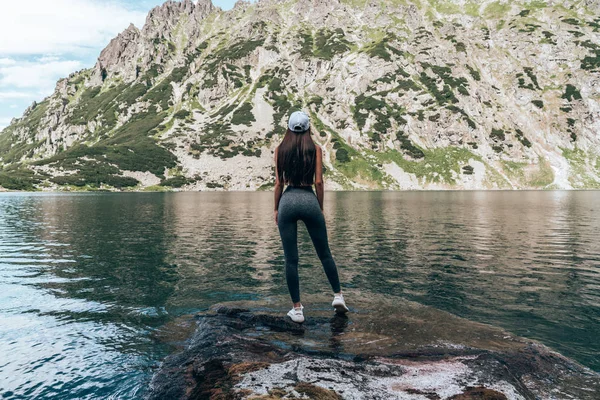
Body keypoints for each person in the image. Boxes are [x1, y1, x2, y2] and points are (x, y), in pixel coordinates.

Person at [273, 110, 349, 323]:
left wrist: (276, 209)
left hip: (287, 201)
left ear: (288, 127)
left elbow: (279, 184)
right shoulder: (315, 149)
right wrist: (320, 208)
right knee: (324, 253)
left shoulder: (280, 150)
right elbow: (319, 182)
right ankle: (338, 296)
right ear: (308, 129)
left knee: (291, 259)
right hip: (309, 200)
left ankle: (297, 310)